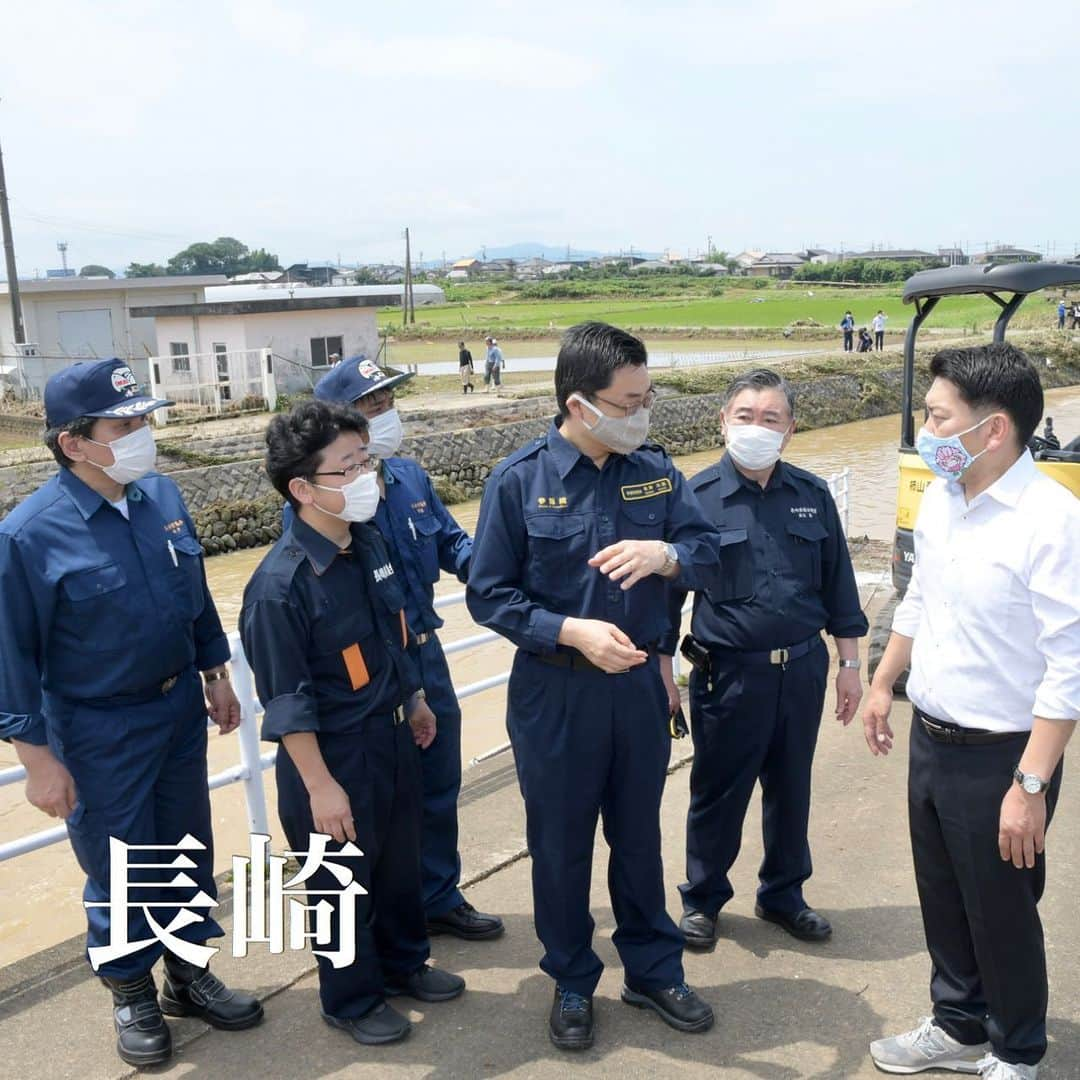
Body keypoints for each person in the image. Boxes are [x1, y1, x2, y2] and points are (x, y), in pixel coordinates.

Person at [467, 321, 722, 1051]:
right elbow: (489, 595)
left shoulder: (658, 471)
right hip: (557, 693)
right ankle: (573, 979)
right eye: (630, 400)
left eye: (648, 397)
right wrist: (569, 631)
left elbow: (708, 554)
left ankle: (651, 969)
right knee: (561, 843)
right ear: (582, 406)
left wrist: (666, 553)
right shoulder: (520, 481)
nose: (643, 413)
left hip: (639, 686)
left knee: (639, 837)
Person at [0, 359, 262, 1067]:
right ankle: (130, 991)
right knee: (119, 866)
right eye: (123, 425)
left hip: (177, 708)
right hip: (96, 727)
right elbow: (11, 659)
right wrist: (37, 761)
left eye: (144, 419)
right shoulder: (29, 535)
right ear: (73, 443)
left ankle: (185, 974)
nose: (142, 434)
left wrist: (216, 671)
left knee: (183, 850)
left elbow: (196, 592)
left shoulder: (161, 496)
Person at [863, 344, 1079, 1079]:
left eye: (936, 416)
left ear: (992, 431)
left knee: (1002, 909)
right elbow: (920, 596)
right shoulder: (942, 498)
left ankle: (1018, 1051)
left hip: (1005, 753)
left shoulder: (1052, 519)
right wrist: (886, 679)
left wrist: (1031, 787)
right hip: (934, 735)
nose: (925, 428)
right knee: (945, 894)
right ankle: (958, 1024)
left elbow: (1071, 663)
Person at [240, 399, 465, 1047]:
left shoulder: (368, 542)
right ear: (304, 488)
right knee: (338, 888)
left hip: (392, 735)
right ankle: (351, 998)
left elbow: (395, 633)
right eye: (349, 466)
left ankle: (403, 965)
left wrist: (414, 700)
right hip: (332, 758)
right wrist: (320, 786)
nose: (368, 475)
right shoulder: (279, 588)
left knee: (397, 864)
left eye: (367, 460)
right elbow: (286, 702)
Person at [668, 368, 867, 952]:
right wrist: (663, 673)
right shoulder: (695, 498)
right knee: (717, 791)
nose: (757, 427)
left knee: (791, 787)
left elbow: (840, 588)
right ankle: (702, 899)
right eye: (745, 416)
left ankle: (783, 894)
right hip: (728, 676)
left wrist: (850, 666)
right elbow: (666, 597)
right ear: (724, 421)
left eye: (771, 419)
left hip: (802, 669)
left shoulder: (812, 496)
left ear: (790, 429)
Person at [308, 357, 504, 942]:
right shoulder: (330, 496)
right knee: (378, 796)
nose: (385, 414)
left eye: (389, 401)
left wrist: (509, 570)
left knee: (440, 782)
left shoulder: (410, 477)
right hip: (363, 667)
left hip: (425, 651)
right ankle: (379, 923)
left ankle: (438, 894)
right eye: (371, 406)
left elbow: (452, 544)